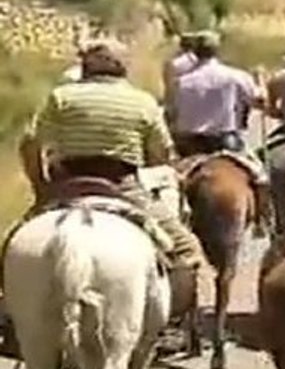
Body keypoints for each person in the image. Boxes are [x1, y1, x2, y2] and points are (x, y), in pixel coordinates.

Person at [17, 38, 204, 273]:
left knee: (14, 241)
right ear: (123, 67)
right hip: (123, 186)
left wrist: (41, 186)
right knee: (187, 247)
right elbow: (161, 155)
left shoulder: (61, 97)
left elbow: (30, 144)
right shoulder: (143, 102)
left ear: (85, 66)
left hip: (67, 184)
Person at [165, 30, 272, 235]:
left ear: (194, 53)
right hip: (226, 141)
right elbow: (259, 101)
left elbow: (171, 113)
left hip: (189, 145)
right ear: (217, 50)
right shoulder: (236, 76)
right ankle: (263, 220)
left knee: (168, 183)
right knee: (260, 177)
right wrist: (260, 82)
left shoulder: (182, 81)